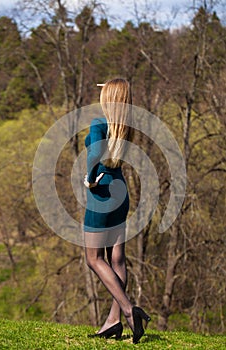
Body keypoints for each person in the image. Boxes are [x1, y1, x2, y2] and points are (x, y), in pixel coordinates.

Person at [83, 78, 151, 344]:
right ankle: (113, 322)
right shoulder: (125, 126)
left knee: (93, 258)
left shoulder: (99, 123)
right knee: (118, 260)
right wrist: (110, 86)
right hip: (120, 189)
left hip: (101, 189)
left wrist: (89, 178)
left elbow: (95, 153)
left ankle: (129, 311)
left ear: (108, 99)